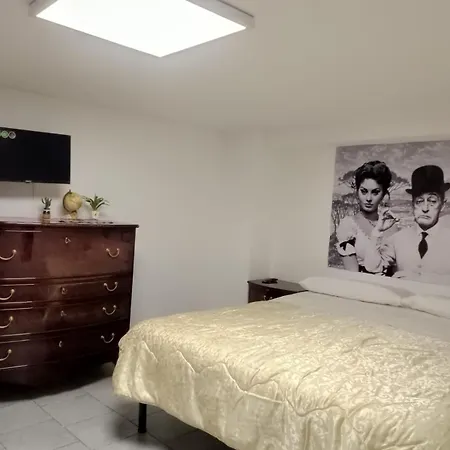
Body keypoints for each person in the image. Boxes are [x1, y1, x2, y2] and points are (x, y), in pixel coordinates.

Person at [366, 165, 450, 284]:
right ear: (412, 204)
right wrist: (377, 231)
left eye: (432, 201)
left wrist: (421, 279)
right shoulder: (398, 239)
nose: (425, 208)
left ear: (443, 205)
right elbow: (372, 268)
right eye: (419, 201)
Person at [336, 160, 398, 275]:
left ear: (383, 194)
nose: (368, 198)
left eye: (375, 192)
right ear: (357, 191)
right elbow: (352, 275)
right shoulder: (348, 226)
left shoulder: (392, 226)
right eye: (364, 191)